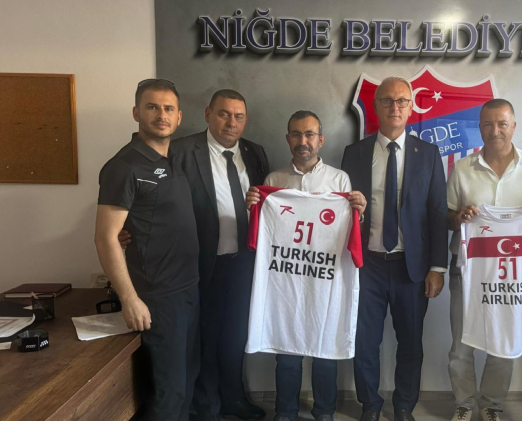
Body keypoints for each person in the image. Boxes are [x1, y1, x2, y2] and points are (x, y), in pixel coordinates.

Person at [123, 89, 269, 421]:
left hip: (244, 264)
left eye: (238, 116)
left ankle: (233, 399)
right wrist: (126, 227)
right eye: (224, 114)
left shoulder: (255, 152)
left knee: (235, 336)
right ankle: (207, 407)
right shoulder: (181, 150)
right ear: (207, 114)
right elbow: (152, 198)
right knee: (203, 337)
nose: (231, 122)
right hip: (199, 264)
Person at [245, 110, 366, 421]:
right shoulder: (273, 181)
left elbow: (349, 228)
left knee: (325, 349)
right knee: (287, 351)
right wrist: (253, 208)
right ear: (288, 139)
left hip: (325, 278)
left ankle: (324, 411)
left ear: (320, 139)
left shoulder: (339, 179)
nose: (303, 141)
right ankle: (285, 412)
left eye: (309, 134)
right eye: (297, 134)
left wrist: (359, 211)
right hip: (286, 280)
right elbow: (265, 233)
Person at [341, 77, 448, 421]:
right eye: (387, 100)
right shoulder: (354, 153)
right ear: (376, 107)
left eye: (402, 100)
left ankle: (404, 406)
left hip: (411, 267)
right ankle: (370, 405)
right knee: (364, 342)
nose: (395, 107)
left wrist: (437, 267)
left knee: (411, 343)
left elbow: (437, 213)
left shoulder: (428, 154)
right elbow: (344, 211)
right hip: (366, 265)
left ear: (411, 106)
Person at [446, 99, 522, 421]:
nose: (494, 130)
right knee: (461, 345)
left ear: (513, 126)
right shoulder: (462, 168)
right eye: (487, 124)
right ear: (479, 127)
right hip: (468, 269)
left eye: (502, 124)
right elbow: (446, 216)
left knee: (505, 340)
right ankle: (464, 404)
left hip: (515, 273)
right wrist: (459, 217)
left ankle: (491, 404)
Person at [95, 79, 200, 421]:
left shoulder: (176, 159)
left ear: (179, 117)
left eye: (168, 109)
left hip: (188, 288)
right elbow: (106, 237)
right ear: (137, 112)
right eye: (152, 107)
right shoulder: (124, 166)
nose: (161, 115)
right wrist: (129, 299)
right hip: (157, 296)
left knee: (187, 380)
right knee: (168, 393)